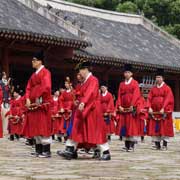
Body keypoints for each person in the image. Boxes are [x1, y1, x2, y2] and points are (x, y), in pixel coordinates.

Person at [57, 61, 111, 160]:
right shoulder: (85, 81)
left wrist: (83, 102)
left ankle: (106, 152)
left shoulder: (93, 80)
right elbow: (81, 94)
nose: (80, 73)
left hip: (92, 109)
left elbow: (90, 93)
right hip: (85, 109)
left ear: (85, 69)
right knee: (78, 128)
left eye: (80, 70)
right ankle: (70, 149)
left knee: (96, 131)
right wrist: (78, 101)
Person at [22, 50, 52, 158]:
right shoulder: (33, 75)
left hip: (41, 103)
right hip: (34, 103)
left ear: (40, 61)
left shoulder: (46, 72)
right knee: (36, 126)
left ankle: (46, 150)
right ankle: (38, 149)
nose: (32, 62)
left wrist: (37, 98)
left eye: (34, 60)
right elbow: (28, 88)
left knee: (43, 126)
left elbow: (46, 87)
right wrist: (28, 99)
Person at [147, 69, 174, 150]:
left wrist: (163, 108)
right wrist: (149, 107)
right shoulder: (153, 88)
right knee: (155, 128)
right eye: (156, 77)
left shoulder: (167, 88)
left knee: (164, 128)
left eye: (159, 77)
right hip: (154, 111)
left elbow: (168, 99)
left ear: (163, 78)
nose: (157, 79)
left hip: (163, 111)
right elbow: (149, 98)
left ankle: (165, 145)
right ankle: (157, 144)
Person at [116, 64, 141, 152]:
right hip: (123, 108)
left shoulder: (135, 83)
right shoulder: (121, 84)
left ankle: (132, 145)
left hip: (131, 108)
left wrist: (132, 105)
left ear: (131, 74)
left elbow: (136, 95)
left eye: (128, 72)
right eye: (125, 72)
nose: (126, 74)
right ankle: (126, 145)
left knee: (132, 126)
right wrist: (119, 106)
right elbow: (119, 95)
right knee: (124, 126)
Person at [59, 77, 74, 143]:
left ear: (70, 84)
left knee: (70, 123)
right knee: (64, 124)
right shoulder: (64, 92)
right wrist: (61, 107)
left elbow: (75, 101)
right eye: (65, 83)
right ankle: (65, 138)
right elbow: (61, 100)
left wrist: (71, 108)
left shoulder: (74, 92)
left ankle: (70, 137)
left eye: (66, 83)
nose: (65, 85)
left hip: (71, 109)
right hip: (64, 109)